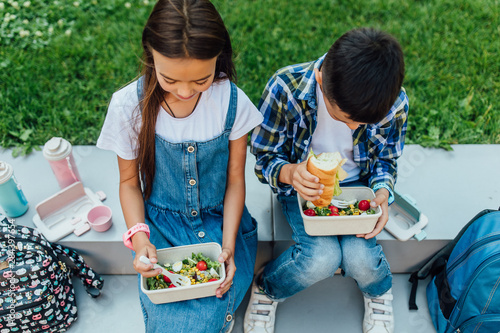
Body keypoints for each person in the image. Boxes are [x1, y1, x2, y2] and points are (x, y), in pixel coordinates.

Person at [96, 1, 263, 332]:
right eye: (169, 79)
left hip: (221, 219)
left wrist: (228, 244)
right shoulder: (129, 105)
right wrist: (140, 240)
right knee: (168, 309)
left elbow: (234, 181)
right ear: (150, 55)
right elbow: (129, 183)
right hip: (161, 224)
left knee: (216, 294)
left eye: (201, 80)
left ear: (219, 57)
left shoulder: (232, 101)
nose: (186, 92)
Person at [246, 27, 408, 333]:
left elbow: (385, 160)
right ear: (321, 81)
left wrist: (383, 191)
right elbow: (265, 157)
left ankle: (378, 290)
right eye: (346, 118)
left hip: (357, 185)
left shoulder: (393, 103)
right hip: (301, 183)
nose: (355, 126)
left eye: (364, 123)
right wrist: (291, 173)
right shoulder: (285, 87)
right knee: (321, 258)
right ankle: (268, 288)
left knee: (362, 258)